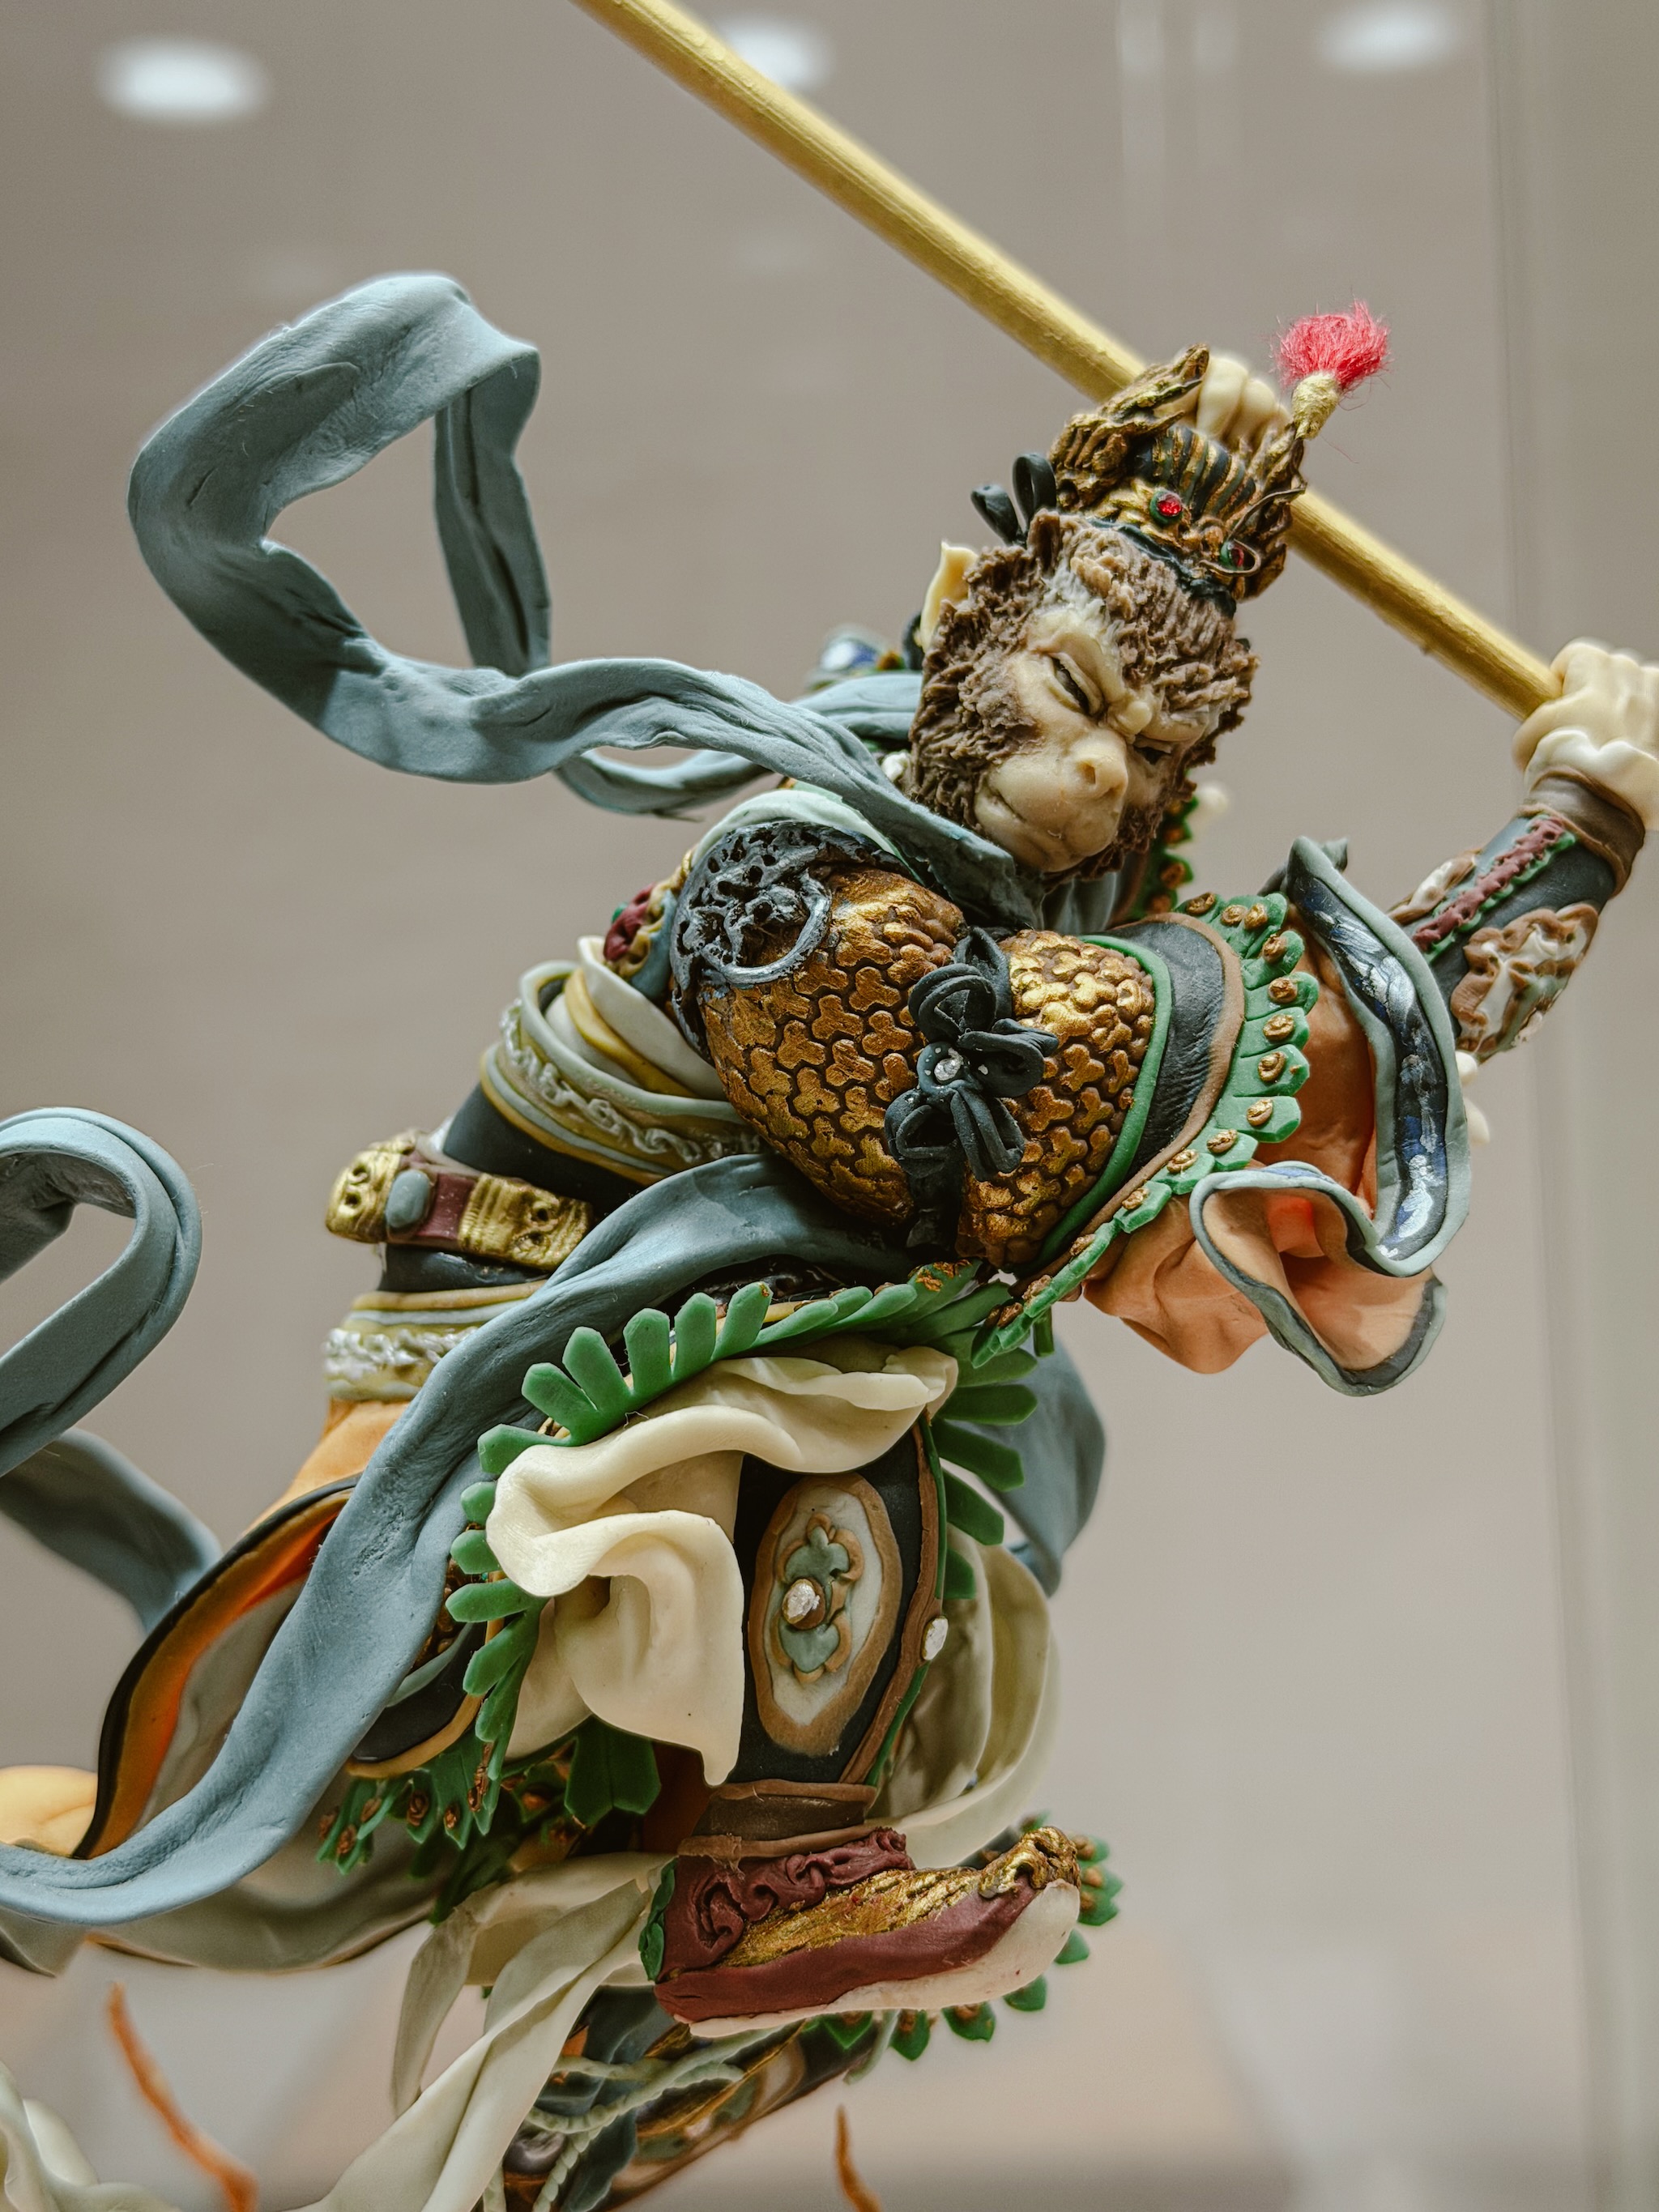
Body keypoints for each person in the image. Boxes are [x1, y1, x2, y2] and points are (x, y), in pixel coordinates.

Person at [0, 276, 1653, 2209]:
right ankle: (770, 1866)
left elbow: (1210, 1059)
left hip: (661, 1379)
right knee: (824, 1398)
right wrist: (1564, 834)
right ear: (972, 637)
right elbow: (1062, 1097)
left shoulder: (968, 894)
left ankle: (639, 2050)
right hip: (526, 1337)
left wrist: (1562, 834)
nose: (1104, 773)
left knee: (864, 1623)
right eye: (1078, 697)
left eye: (1153, 753)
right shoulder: (789, 886)